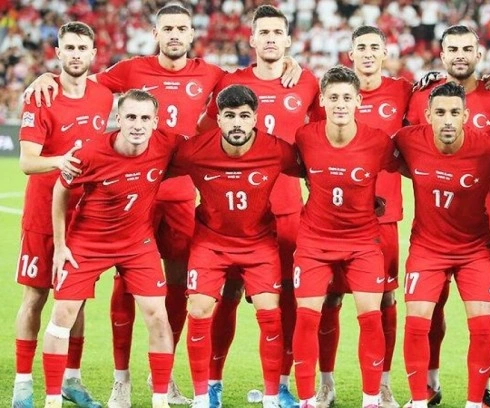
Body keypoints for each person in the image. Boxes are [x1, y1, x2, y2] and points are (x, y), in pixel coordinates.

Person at [24, 5, 303, 406]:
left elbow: (251, 81)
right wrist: (48, 76)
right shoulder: (131, 70)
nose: (174, 34)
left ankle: (165, 379)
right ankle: (121, 379)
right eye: (167, 28)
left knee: (174, 289)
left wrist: (289, 62)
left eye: (181, 28)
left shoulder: (211, 74)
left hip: (179, 195)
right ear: (155, 33)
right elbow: (81, 79)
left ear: (192, 34)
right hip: (133, 195)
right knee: (124, 287)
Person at [197, 6, 319, 407]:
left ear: (288, 40)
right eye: (263, 32)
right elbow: (205, 133)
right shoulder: (231, 83)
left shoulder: (306, 83)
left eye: (276, 32)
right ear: (251, 39)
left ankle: (280, 385)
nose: (270, 39)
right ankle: (212, 383)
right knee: (226, 297)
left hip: (286, 210)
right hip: (234, 215)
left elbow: (319, 138)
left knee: (286, 302)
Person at [44, 89, 185, 408]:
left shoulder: (168, 144)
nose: (138, 124)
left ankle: (160, 400)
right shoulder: (89, 152)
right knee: (63, 313)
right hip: (88, 242)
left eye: (145, 118)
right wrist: (61, 245)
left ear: (156, 122)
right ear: (118, 118)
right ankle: (52, 399)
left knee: (158, 315)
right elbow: (60, 191)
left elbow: (205, 150)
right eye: (131, 117)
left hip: (137, 243)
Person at [405, 24, 490, 408]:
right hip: (431, 227)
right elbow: (406, 148)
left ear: (478, 54)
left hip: (483, 225)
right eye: (452, 49)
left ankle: (481, 391)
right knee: (429, 310)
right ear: (442, 55)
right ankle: (429, 384)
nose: (459, 55)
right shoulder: (421, 95)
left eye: (467, 49)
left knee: (482, 315)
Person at [171, 84, 303, 408]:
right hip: (210, 243)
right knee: (198, 309)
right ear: (218, 119)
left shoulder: (276, 150)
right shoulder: (194, 151)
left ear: (255, 118)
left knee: (270, 313)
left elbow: (315, 170)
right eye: (229, 116)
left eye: (244, 116)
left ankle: (271, 396)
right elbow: (153, 167)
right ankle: (202, 396)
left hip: (259, 244)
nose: (237, 123)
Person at [12, 21, 112, 408]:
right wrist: (61, 161)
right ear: (58, 53)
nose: (75, 54)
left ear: (93, 54)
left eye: (82, 48)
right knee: (35, 297)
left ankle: (72, 379)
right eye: (68, 48)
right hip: (42, 215)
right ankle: (23, 385)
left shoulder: (103, 95)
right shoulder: (42, 96)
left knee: (77, 299)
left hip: (84, 218)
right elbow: (27, 162)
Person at [313, 25, 411, 408]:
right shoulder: (333, 94)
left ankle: (383, 384)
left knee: (385, 300)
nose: (368, 53)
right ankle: (326, 384)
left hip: (383, 217)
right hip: (334, 218)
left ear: (385, 53)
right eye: (361, 47)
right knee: (330, 298)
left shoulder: (403, 91)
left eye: (375, 46)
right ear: (350, 54)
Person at [291, 66, 399, 408]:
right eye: (333, 97)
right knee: (307, 317)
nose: (340, 104)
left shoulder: (378, 141)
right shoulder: (305, 137)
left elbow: (409, 166)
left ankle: (371, 400)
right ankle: (308, 400)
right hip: (314, 241)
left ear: (358, 101)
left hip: (363, 242)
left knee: (371, 317)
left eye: (347, 98)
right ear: (322, 100)